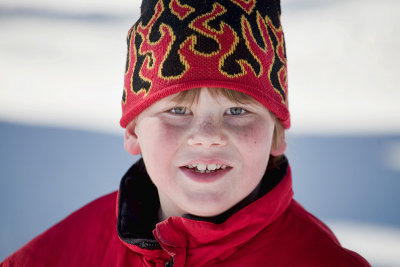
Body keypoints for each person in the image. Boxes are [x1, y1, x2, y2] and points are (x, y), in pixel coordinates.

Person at [1, 0, 371, 266]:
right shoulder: (60, 254)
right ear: (133, 130)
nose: (207, 135)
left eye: (238, 110)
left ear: (276, 134)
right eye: (177, 110)